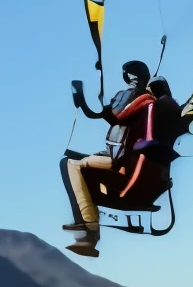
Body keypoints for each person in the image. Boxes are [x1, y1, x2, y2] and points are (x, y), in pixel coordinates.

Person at [60, 61, 155, 258]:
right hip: (123, 157)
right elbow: (108, 114)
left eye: (129, 76)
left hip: (122, 160)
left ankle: (89, 226)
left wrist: (84, 99)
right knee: (76, 160)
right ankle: (89, 226)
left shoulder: (137, 96)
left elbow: (115, 115)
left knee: (70, 164)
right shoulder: (144, 98)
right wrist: (84, 102)